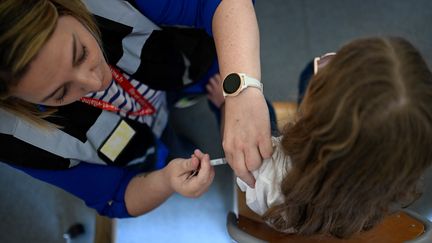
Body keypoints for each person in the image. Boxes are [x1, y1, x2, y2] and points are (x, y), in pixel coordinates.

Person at [0, 0, 271, 218]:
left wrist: (241, 92)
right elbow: (114, 195)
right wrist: (165, 182)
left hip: (181, 70)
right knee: (173, 153)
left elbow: (218, 4)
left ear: (64, 6)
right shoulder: (18, 141)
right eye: (59, 94)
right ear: (15, 101)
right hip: (137, 142)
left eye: (81, 53)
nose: (97, 82)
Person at [207, 37, 432, 238]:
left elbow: (239, 147)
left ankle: (219, 103)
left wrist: (228, 105)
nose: (325, 60)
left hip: (269, 174)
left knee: (264, 108)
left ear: (317, 125)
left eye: (335, 62)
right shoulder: (385, 180)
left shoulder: (268, 173)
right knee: (309, 72)